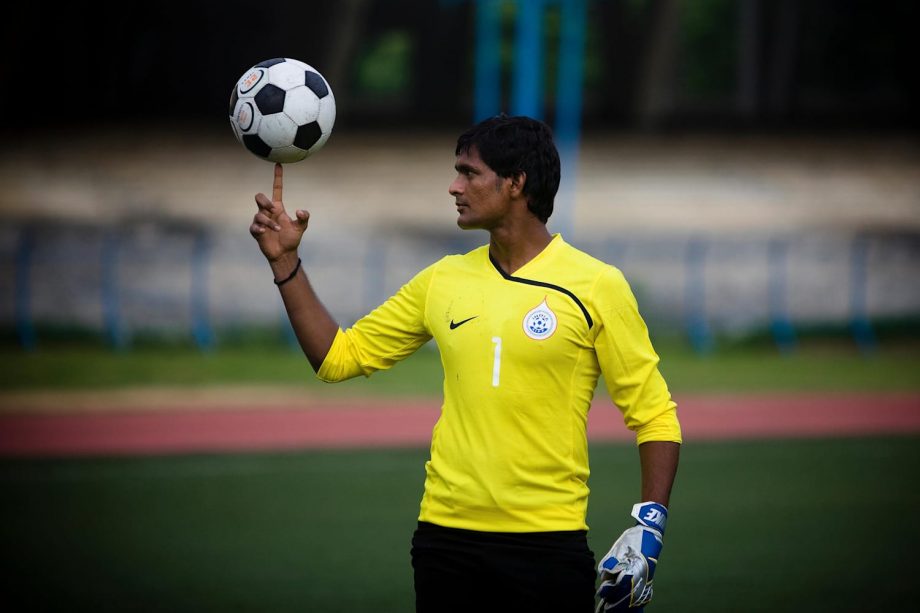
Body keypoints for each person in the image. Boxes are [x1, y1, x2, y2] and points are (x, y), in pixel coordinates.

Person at [249, 114, 681, 612]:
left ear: (516, 182)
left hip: (546, 543)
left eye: (469, 173)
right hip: (444, 541)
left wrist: (648, 529)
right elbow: (337, 357)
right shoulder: (443, 279)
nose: (454, 186)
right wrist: (285, 263)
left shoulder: (597, 285)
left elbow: (654, 414)